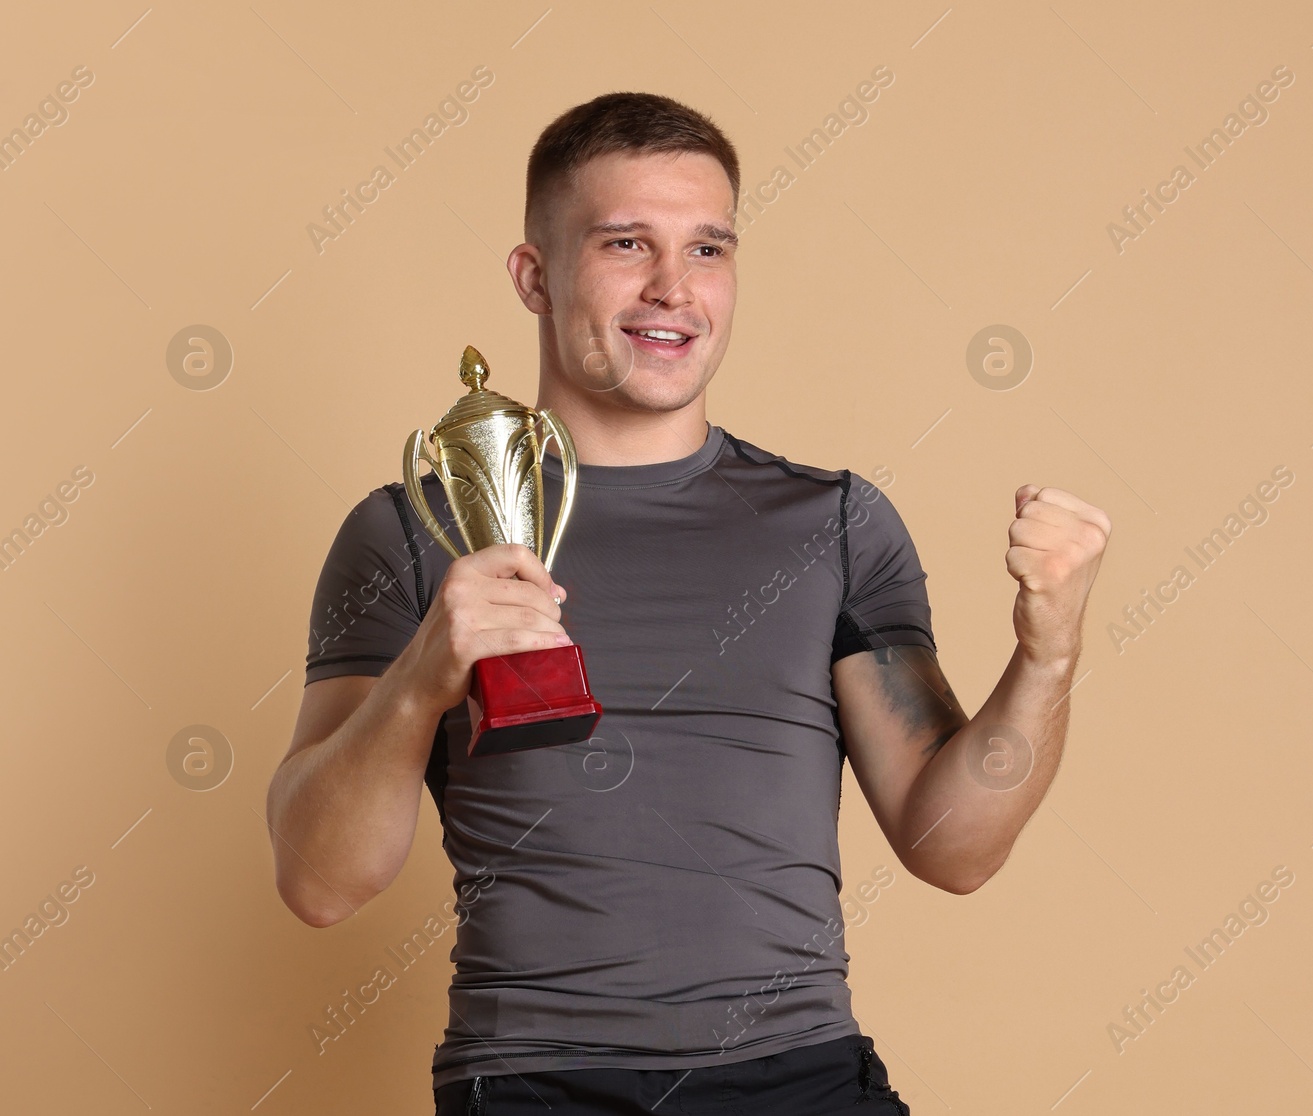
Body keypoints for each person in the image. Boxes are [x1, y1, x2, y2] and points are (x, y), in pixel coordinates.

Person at [265, 91, 1109, 1115]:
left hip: (801, 1079)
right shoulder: (410, 531)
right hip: (535, 1085)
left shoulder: (836, 524)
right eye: (627, 243)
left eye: (707, 249)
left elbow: (954, 852)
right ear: (535, 276)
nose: (674, 288)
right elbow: (319, 883)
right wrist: (421, 680)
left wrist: (1048, 657)